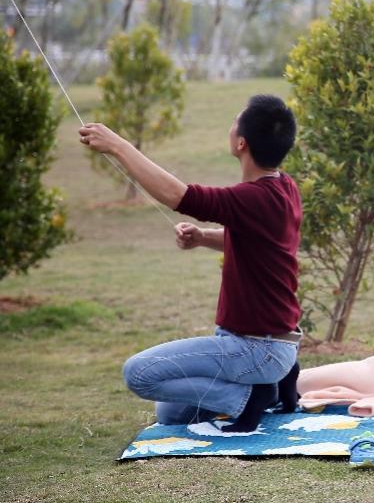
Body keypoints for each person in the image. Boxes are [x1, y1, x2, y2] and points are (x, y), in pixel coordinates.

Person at [79, 94, 302, 432]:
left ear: (241, 143)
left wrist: (118, 146)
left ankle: (251, 399)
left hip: (256, 349)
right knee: (171, 414)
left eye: (234, 121)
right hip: (272, 346)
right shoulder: (283, 188)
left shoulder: (251, 198)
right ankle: (273, 385)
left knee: (138, 374)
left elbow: (178, 196)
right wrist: (201, 237)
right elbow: (256, 242)